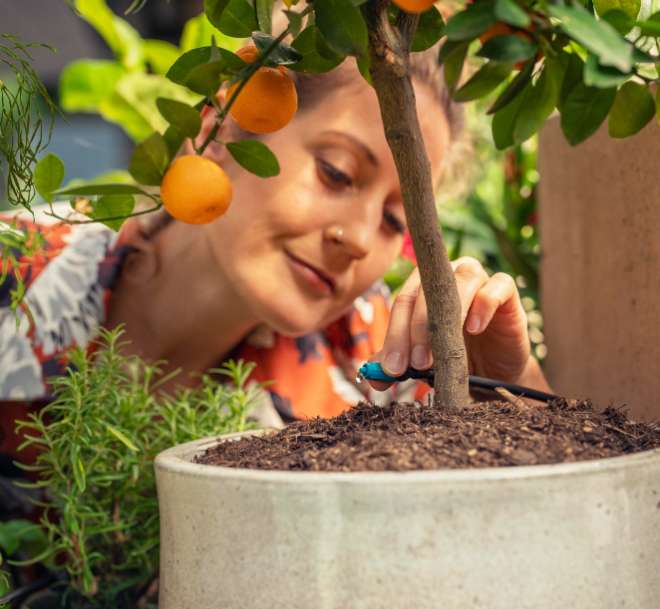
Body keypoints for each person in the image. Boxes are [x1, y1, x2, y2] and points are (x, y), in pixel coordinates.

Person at [0, 49, 551, 486]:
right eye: (336, 173)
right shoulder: (16, 271)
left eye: (392, 221)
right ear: (226, 132)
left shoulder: (374, 362)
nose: (358, 239)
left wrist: (505, 384)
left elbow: (548, 505)